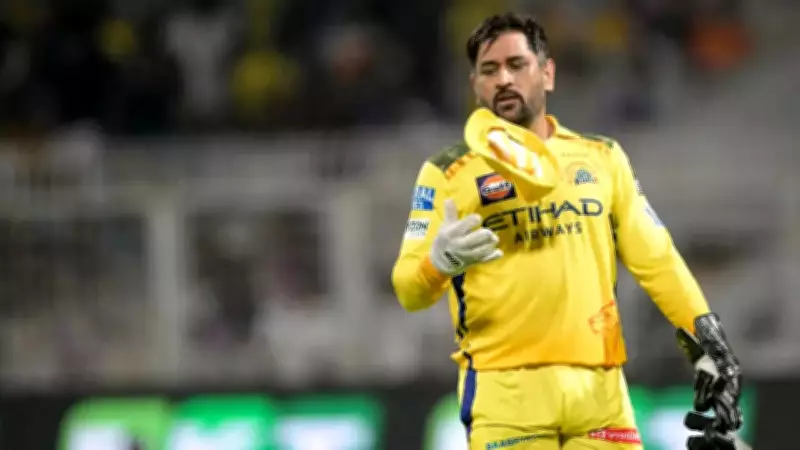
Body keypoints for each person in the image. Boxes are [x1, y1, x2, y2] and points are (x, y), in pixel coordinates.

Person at [391, 12, 742, 450]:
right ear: (475, 85)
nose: (503, 79)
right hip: (506, 394)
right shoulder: (447, 172)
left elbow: (656, 259)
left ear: (548, 73)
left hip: (601, 392)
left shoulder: (602, 157)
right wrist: (437, 263)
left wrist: (708, 343)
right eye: (489, 70)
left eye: (516, 65)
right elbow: (408, 290)